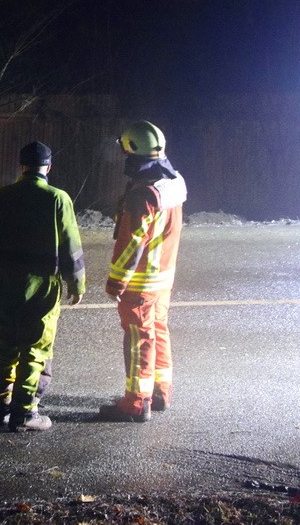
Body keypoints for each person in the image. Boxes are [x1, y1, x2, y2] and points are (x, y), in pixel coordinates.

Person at [0, 141, 86, 432]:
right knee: (34, 349)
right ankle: (24, 414)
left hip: (5, 281)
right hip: (42, 286)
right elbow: (70, 246)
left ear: (21, 167)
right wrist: (77, 284)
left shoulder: (4, 195)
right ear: (47, 168)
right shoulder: (58, 198)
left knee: (4, 347)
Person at [99, 121, 187, 422]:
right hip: (163, 278)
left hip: (141, 283)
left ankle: (136, 403)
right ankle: (161, 392)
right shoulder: (172, 183)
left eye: (126, 151)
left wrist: (116, 281)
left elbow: (130, 242)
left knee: (138, 339)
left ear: (133, 151)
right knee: (157, 331)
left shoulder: (142, 195)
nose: (124, 157)